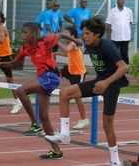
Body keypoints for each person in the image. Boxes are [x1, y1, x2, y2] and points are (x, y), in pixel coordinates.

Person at [45, 16, 129, 166]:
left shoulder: (107, 46)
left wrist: (106, 82)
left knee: (107, 125)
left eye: (87, 33)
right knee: (64, 93)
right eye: (83, 33)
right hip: (99, 82)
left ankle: (115, 161)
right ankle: (65, 134)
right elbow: (76, 42)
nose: (85, 37)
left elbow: (124, 67)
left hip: (112, 85)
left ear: (97, 34)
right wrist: (60, 35)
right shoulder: (88, 42)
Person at [0, 22, 82, 159]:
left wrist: (76, 40)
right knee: (44, 117)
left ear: (34, 34)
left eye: (25, 32)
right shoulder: (25, 48)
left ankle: (35, 124)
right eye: (22, 32)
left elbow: (60, 34)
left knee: (21, 91)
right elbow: (14, 63)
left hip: (51, 76)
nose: (22, 35)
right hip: (42, 79)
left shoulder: (45, 42)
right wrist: (0, 64)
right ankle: (56, 151)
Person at [55, 26, 89, 130]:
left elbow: (66, 49)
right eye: (63, 33)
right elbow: (66, 53)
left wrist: (56, 41)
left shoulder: (73, 43)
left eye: (66, 34)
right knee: (55, 73)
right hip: (70, 71)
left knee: (77, 98)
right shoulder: (71, 44)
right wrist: (55, 53)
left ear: (72, 36)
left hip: (78, 73)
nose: (64, 35)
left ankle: (84, 119)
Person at [106, 0, 134, 65]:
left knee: (124, 53)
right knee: (115, 53)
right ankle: (115, 68)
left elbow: (130, 22)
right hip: (115, 37)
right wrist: (108, 37)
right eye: (119, 0)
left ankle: (126, 67)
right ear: (117, 2)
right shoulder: (112, 11)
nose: (120, 1)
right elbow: (109, 24)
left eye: (121, 0)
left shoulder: (129, 11)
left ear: (124, 2)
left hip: (125, 37)